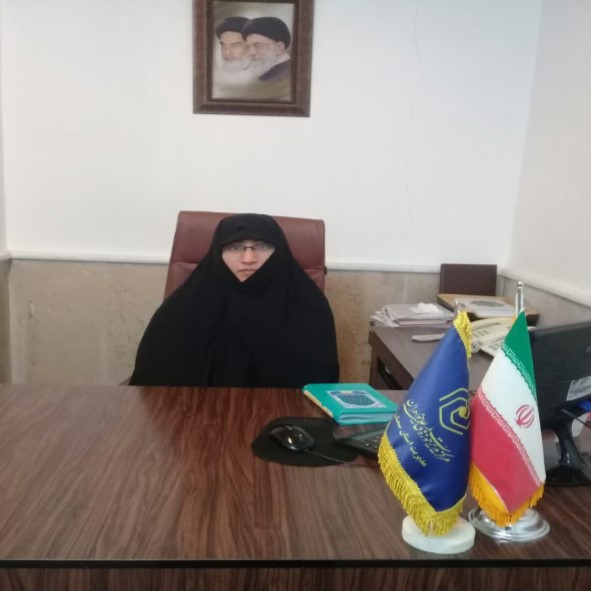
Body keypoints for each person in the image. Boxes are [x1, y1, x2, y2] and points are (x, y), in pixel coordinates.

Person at [130, 213, 340, 388]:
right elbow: (153, 388)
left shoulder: (310, 309)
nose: (248, 259)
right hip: (193, 417)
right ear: (217, 252)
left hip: (285, 419)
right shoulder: (181, 310)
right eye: (234, 247)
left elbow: (319, 390)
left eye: (262, 246)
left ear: (280, 251)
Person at [242, 17, 292, 82]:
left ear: (279, 47)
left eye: (257, 46)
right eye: (248, 47)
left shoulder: (277, 77)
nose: (251, 53)